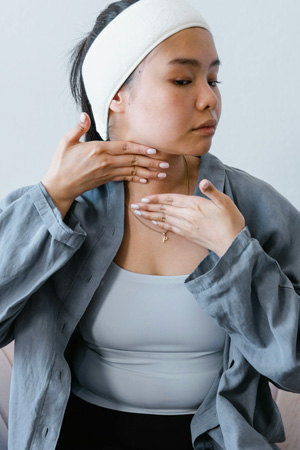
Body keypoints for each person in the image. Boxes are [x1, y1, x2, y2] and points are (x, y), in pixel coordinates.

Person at [1, 0, 300, 449]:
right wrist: (51, 198)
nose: (209, 98)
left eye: (213, 79)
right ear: (116, 95)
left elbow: (294, 365)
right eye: (183, 79)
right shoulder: (66, 206)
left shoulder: (255, 210)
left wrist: (234, 252)